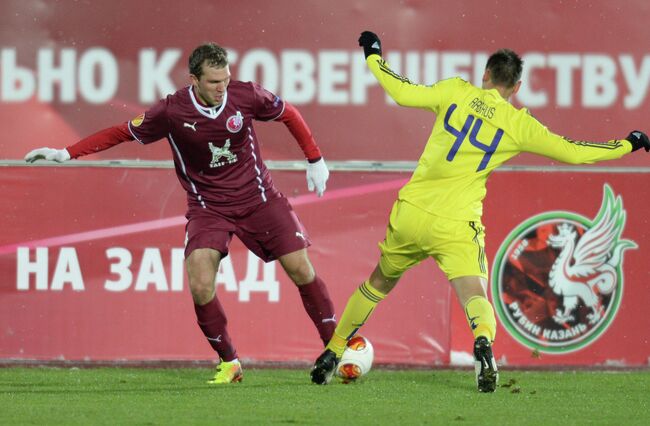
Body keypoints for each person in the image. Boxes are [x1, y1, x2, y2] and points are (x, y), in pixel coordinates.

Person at [310, 31, 650, 392]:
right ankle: (483, 343)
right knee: (474, 293)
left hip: (412, 211)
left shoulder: (456, 91)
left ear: (485, 75)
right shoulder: (519, 124)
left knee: (377, 282)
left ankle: (332, 351)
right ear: (516, 87)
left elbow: (402, 91)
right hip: (456, 223)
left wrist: (373, 55)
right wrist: (627, 144)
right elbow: (573, 151)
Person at [25, 43, 338, 384]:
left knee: (301, 269)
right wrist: (67, 153)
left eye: (226, 79)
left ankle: (336, 349)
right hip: (208, 208)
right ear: (194, 79)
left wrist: (315, 159)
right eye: (215, 81)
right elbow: (121, 133)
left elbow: (288, 112)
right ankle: (230, 362)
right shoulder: (171, 111)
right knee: (201, 284)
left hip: (259, 198)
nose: (223, 87)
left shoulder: (245, 95)